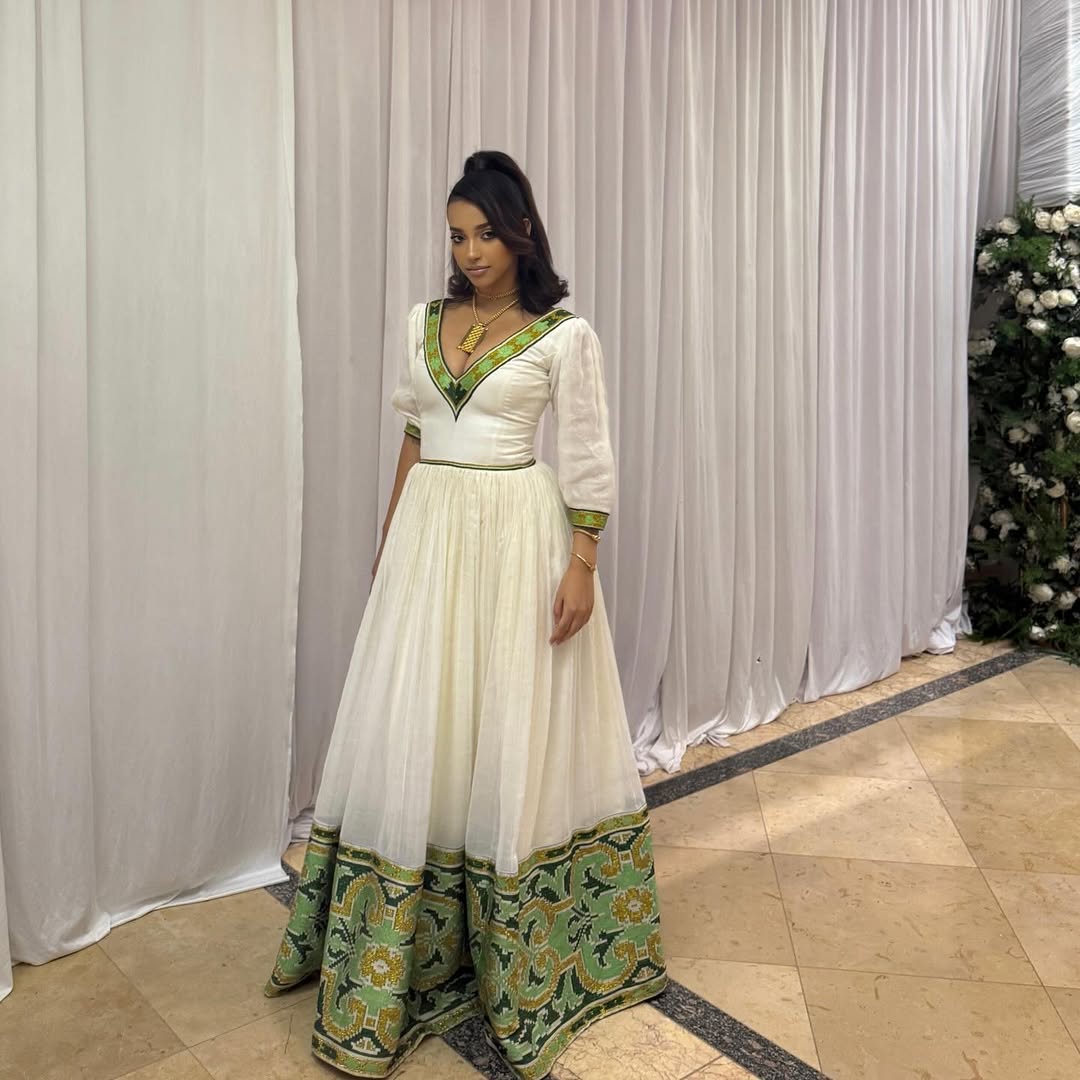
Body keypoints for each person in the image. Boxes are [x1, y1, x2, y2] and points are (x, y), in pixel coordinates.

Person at [265, 150, 666, 1079]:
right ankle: (410, 936)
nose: (471, 250)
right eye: (457, 234)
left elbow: (591, 459)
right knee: (422, 723)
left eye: (486, 232)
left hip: (518, 540)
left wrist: (582, 566)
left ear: (521, 232)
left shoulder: (564, 336)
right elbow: (413, 435)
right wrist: (389, 538)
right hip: (431, 538)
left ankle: (511, 930)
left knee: (502, 719)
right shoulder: (421, 322)